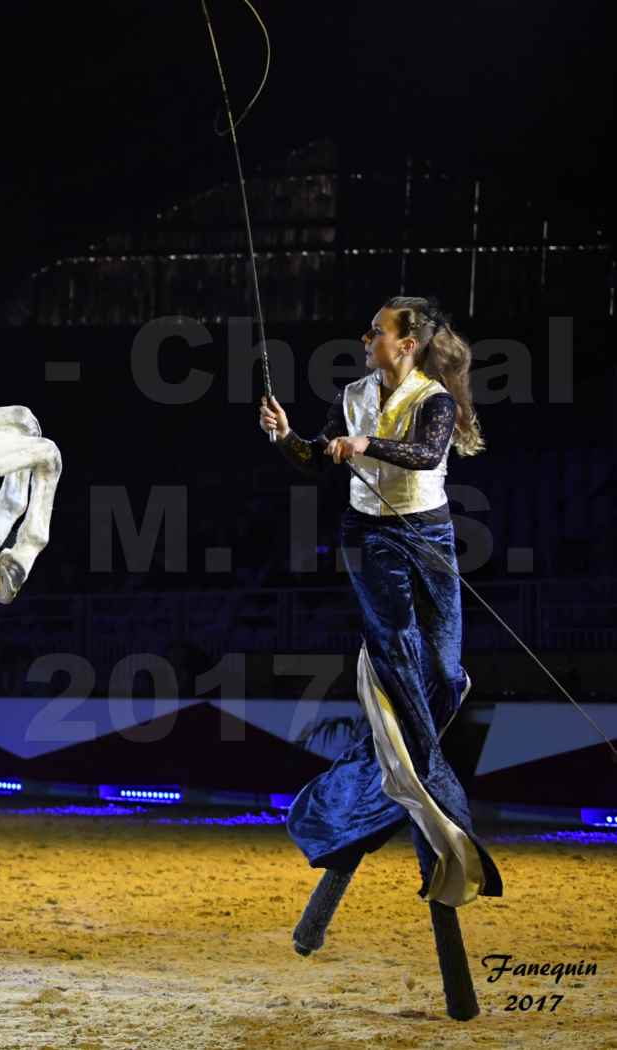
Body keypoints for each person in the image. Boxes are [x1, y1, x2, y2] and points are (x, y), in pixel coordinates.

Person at [258, 296, 503, 1018]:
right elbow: (312, 458)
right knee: (399, 665)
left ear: (408, 345)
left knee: (446, 676)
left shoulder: (431, 401)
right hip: (371, 541)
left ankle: (378, 787)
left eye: (378, 331)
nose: (366, 337)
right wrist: (287, 438)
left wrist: (360, 447)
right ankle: (440, 809)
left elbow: (426, 455)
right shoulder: (354, 395)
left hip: (428, 536)